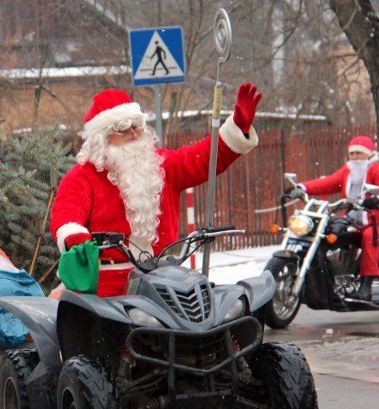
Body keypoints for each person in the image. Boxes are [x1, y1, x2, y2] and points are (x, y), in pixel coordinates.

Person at [50, 83, 262, 297]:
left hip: (164, 281)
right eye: (124, 128)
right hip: (108, 289)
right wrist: (76, 237)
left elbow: (202, 159)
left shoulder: (161, 165)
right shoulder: (83, 177)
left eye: (137, 126)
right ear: (102, 139)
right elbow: (66, 216)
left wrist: (236, 128)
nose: (134, 134)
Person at [289, 135, 379, 301]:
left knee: (369, 236)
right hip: (354, 220)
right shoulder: (349, 170)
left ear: (369, 154)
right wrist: (302, 187)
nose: (355, 157)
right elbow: (330, 182)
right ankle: (331, 277)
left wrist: (377, 199)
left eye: (359, 153)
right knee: (332, 231)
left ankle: (366, 286)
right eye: (352, 153)